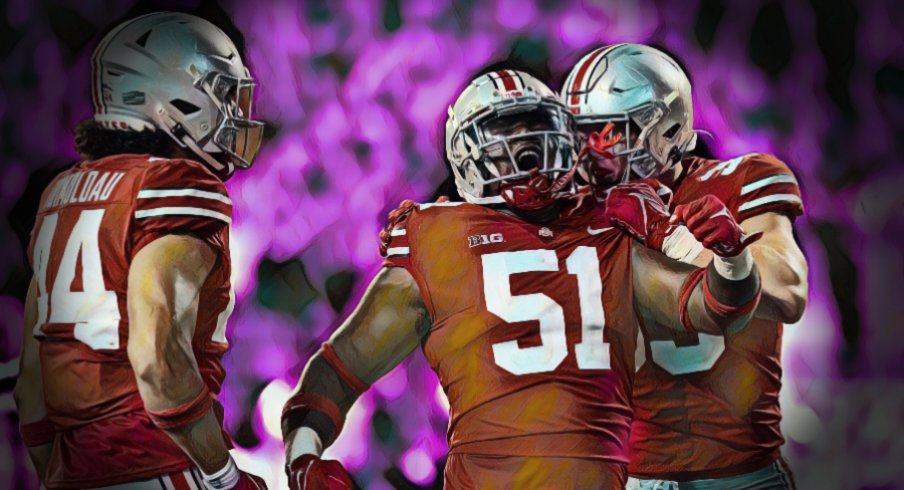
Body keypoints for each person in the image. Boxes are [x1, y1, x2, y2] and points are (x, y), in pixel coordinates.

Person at [281, 69, 765, 489]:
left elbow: (714, 309)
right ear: (467, 155)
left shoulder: (604, 226)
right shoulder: (438, 237)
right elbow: (342, 365)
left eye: (538, 132)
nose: (529, 152)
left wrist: (729, 256)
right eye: (508, 137)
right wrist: (303, 456)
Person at [13, 12, 266, 490]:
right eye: (221, 94)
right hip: (164, 464)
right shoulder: (175, 185)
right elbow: (157, 359)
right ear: (169, 97)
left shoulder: (62, 195)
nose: (233, 113)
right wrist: (223, 477)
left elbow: (32, 388)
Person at [562, 43, 808, 489]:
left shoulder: (742, 179)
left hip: (738, 473)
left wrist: (671, 236)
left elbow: (786, 292)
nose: (594, 152)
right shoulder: (576, 212)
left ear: (670, 126)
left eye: (612, 132)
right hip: (631, 475)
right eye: (583, 134)